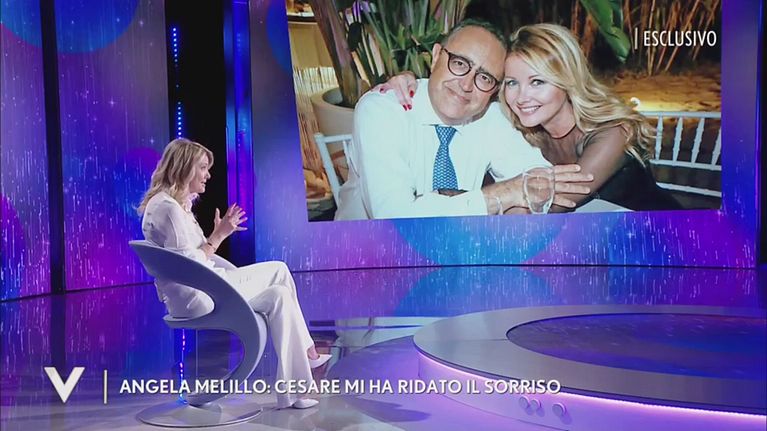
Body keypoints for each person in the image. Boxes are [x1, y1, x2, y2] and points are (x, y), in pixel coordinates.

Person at [381, 23, 680, 211]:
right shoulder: (524, 128)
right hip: (593, 251)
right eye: (512, 82)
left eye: (537, 82)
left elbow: (549, 208)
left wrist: (452, 198)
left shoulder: (612, 133)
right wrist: (411, 82)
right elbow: (463, 89)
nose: (522, 97)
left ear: (567, 79)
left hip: (664, 241)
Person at [137, 138, 331, 409]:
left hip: (205, 287)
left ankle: (294, 392)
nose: (208, 175)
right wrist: (218, 235)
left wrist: (217, 235)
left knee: (279, 296)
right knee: (279, 269)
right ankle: (308, 351)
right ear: (184, 167)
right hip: (199, 296)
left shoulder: (173, 205)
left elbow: (194, 255)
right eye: (202, 167)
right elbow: (189, 266)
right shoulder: (168, 209)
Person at [335, 19, 592, 220]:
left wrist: (518, 205)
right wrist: (502, 194)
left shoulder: (491, 116)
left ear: (495, 89)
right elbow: (395, 219)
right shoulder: (383, 109)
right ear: (436, 56)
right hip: (366, 255)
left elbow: (540, 182)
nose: (466, 85)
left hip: (461, 255)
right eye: (459, 63)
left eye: (485, 77)